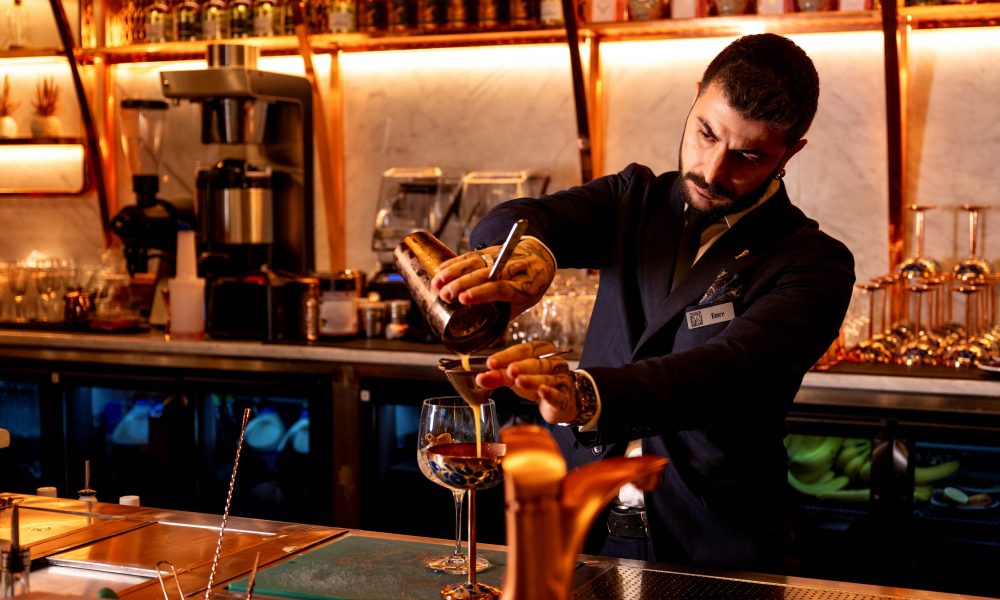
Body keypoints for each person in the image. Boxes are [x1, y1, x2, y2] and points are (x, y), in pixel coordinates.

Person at [431, 33, 856, 572]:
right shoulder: (633, 201)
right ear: (696, 96)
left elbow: (730, 372)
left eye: (748, 156)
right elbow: (517, 218)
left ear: (790, 152)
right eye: (706, 133)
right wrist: (526, 257)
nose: (713, 171)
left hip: (714, 550)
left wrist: (586, 395)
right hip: (582, 536)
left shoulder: (813, 261)